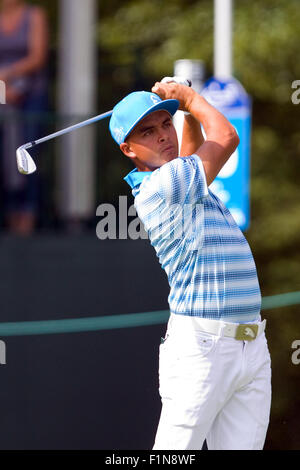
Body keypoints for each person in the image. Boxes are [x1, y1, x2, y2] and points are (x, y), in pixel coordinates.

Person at [109, 79, 272, 450]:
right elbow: (227, 136)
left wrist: (187, 117)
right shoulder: (165, 185)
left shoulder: (182, 178)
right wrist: (189, 99)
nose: (163, 135)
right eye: (147, 132)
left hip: (249, 343)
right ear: (128, 149)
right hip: (203, 348)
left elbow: (193, 151)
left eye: (166, 124)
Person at [0, 0, 49, 235]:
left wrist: (8, 75)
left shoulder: (34, 15)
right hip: (1, 94)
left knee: (27, 149)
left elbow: (37, 57)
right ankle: (9, 215)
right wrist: (3, 90)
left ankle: (28, 216)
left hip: (31, 95)